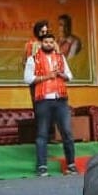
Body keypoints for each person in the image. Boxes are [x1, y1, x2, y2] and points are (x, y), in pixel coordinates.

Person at [24, 33, 77, 177]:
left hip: (60, 100)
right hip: (43, 100)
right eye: (46, 42)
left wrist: (61, 74)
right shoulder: (32, 59)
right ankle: (42, 166)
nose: (49, 44)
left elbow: (70, 76)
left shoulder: (61, 58)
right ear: (41, 43)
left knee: (67, 132)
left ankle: (71, 165)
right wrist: (46, 77)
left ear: (54, 43)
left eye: (51, 42)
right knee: (42, 134)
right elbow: (27, 79)